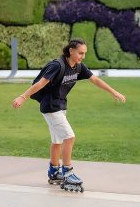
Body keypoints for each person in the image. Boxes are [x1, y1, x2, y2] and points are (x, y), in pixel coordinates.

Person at [12, 38, 126, 192]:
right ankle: (67, 173)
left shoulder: (78, 67)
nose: (82, 56)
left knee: (57, 140)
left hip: (60, 106)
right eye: (80, 53)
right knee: (69, 137)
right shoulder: (57, 65)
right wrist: (22, 97)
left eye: (84, 53)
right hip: (51, 108)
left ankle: (54, 173)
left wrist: (113, 91)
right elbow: (40, 84)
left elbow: (95, 80)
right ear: (71, 50)